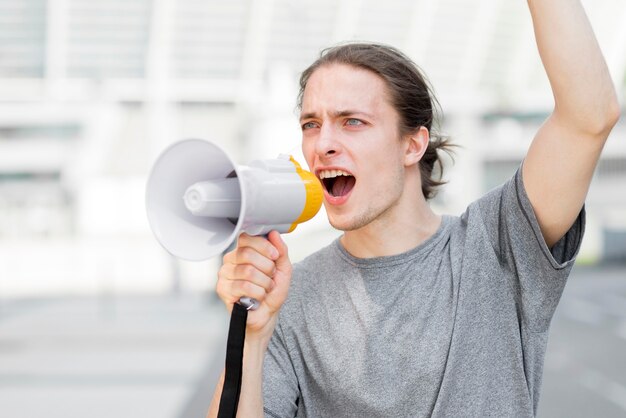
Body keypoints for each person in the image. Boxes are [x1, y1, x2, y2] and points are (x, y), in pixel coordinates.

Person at [208, 1, 620, 416]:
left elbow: (589, 116)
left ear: (413, 144)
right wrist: (253, 337)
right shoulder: (288, 297)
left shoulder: (498, 244)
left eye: (352, 121)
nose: (322, 143)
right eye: (311, 124)